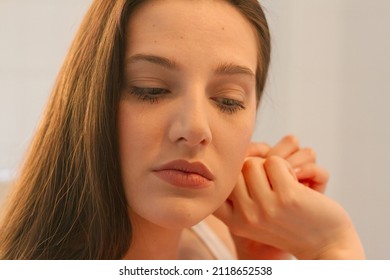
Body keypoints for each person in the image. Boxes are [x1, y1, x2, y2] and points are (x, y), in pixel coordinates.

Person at [0, 0, 364, 260]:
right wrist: (331, 248)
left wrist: (262, 262)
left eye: (228, 99)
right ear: (89, 102)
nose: (195, 129)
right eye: (151, 89)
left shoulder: (219, 244)